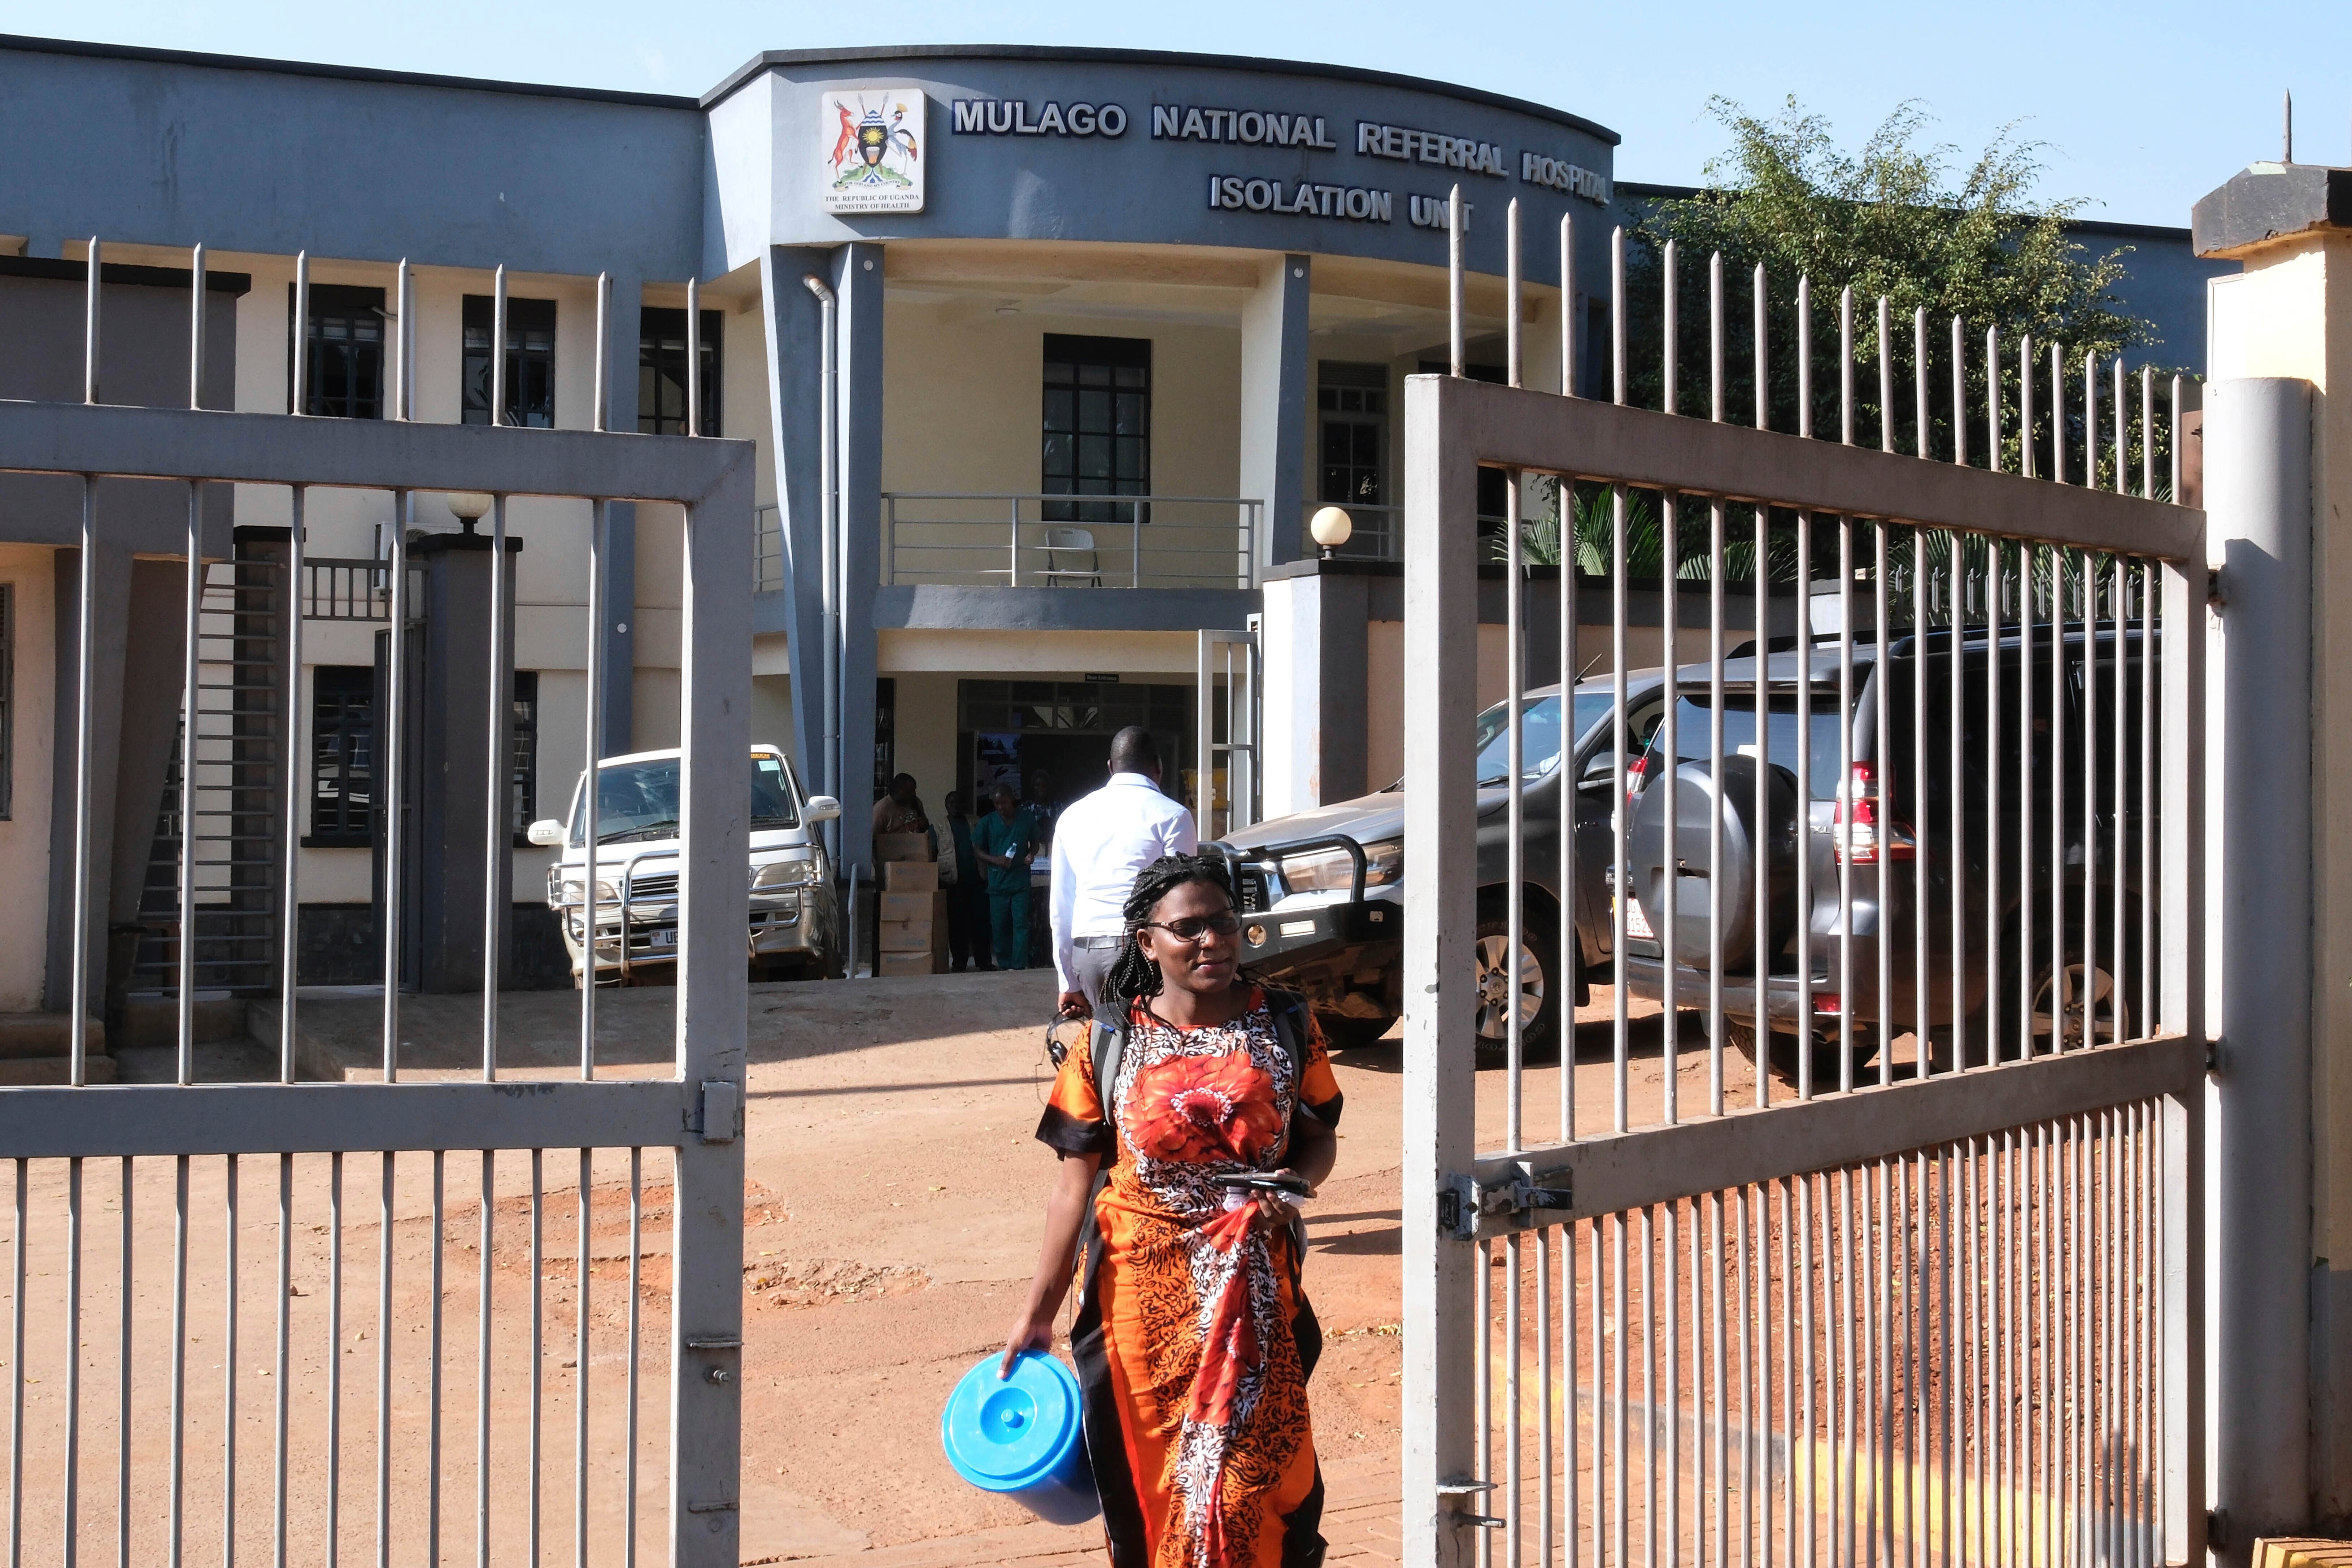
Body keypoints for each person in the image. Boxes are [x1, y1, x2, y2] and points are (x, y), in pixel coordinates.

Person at [1004, 853, 1341, 1568]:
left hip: (1256, 1297)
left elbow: (1319, 1136)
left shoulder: (1286, 1022)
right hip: (1137, 1306)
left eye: (1224, 922)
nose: (1212, 940)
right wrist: (1038, 1312)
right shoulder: (1108, 1042)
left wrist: (1294, 1185)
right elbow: (1072, 1188)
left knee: (1255, 1483)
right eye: (1188, 928)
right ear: (1147, 941)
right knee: (1155, 1491)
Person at [1050, 727, 1197, 1017]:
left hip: (1087, 954)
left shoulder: (1072, 816)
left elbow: (1061, 907)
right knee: (1151, 1038)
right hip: (1145, 950)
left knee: (1105, 1036)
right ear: (1158, 766)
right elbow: (1182, 898)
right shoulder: (1173, 816)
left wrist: (1067, 980)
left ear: (1111, 767)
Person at [970, 784, 1036, 971]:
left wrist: (1031, 854)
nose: (1001, 807)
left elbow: (1035, 842)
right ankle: (1005, 964)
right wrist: (994, 859)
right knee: (1000, 927)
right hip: (998, 884)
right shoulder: (987, 822)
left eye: (1004, 803)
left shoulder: (1026, 819)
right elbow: (977, 850)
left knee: (1021, 925)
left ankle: (1019, 965)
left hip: (1020, 882)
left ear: (1013, 800)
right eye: (997, 804)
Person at [941, 790, 991, 973]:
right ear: (946, 806)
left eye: (958, 803)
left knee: (981, 924)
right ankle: (959, 963)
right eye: (951, 803)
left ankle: (984, 962)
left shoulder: (976, 822)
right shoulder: (939, 826)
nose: (955, 806)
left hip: (978, 881)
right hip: (953, 883)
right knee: (957, 926)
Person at [872, 772, 929, 837]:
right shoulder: (881, 810)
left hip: (917, 842)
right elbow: (874, 838)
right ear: (897, 791)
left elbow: (925, 827)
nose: (914, 794)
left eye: (914, 790)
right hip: (894, 843)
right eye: (909, 791)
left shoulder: (916, 802)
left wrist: (922, 824)